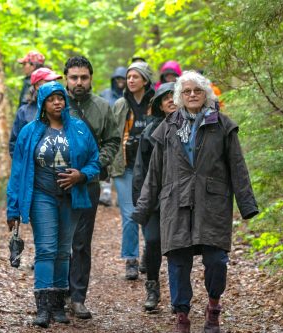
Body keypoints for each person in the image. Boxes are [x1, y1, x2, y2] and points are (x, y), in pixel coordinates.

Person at [132, 71, 258, 333]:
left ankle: (213, 307)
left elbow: (237, 166)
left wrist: (247, 204)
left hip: (212, 203)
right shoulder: (166, 128)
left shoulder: (222, 125)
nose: (192, 95)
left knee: (216, 260)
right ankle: (182, 317)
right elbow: (154, 172)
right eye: (186, 91)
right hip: (175, 203)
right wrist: (142, 209)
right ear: (179, 96)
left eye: (197, 91)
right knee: (178, 262)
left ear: (206, 94)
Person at [6, 81, 100, 328]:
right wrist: (13, 208)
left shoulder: (79, 128)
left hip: (72, 197)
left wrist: (81, 175)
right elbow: (17, 172)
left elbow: (95, 160)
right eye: (51, 99)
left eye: (60, 98)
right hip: (41, 196)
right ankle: (43, 306)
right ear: (43, 103)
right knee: (46, 248)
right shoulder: (29, 131)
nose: (57, 102)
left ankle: (59, 305)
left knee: (63, 250)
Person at [63, 56, 120, 320]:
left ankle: (77, 297)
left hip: (89, 184)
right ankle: (55, 293)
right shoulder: (54, 103)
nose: (78, 82)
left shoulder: (101, 106)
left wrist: (93, 167)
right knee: (56, 241)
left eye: (83, 77)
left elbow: (112, 140)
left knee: (81, 243)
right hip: (56, 185)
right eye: (74, 77)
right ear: (66, 79)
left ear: (91, 79)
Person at [132, 82, 177, 311]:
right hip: (154, 197)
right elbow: (140, 169)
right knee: (152, 241)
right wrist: (140, 201)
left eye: (174, 95)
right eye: (166, 97)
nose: (171, 100)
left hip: (180, 199)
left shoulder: (193, 128)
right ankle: (152, 287)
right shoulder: (149, 132)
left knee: (178, 248)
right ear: (159, 103)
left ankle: (180, 296)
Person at [111, 61, 155, 280]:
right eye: (128, 77)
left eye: (135, 77)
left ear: (145, 80)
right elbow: (112, 134)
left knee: (148, 213)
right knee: (129, 215)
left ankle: (149, 252)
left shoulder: (155, 103)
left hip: (150, 169)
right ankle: (131, 259)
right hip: (125, 168)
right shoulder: (120, 105)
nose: (130, 80)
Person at [9, 68, 62, 158]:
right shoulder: (24, 112)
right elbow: (15, 145)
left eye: (55, 81)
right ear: (37, 85)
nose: (54, 84)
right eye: (49, 81)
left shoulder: (62, 107)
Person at [98, 66, 127, 206]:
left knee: (120, 161)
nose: (121, 81)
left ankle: (122, 195)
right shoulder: (105, 94)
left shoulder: (128, 95)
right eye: (118, 79)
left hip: (124, 131)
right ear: (114, 80)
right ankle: (106, 192)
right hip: (107, 130)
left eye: (123, 79)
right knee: (107, 159)